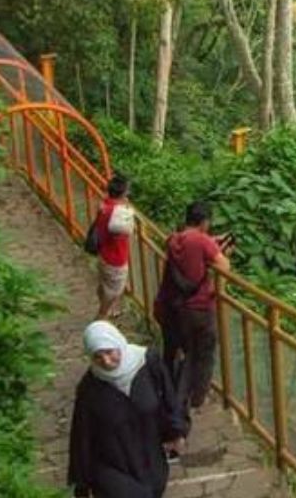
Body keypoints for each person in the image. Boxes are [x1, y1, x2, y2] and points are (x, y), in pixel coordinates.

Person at [68, 321, 187, 498]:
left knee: (153, 490)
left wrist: (177, 432)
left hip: (150, 456)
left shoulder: (147, 363)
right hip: (113, 464)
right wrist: (82, 483)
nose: (106, 361)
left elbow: (169, 399)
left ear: (118, 344)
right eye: (97, 357)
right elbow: (82, 435)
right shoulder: (90, 389)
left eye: (109, 352)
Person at [154, 201, 231, 410]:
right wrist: (222, 251)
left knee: (174, 349)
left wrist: (212, 241)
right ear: (205, 222)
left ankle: (168, 388)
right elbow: (224, 266)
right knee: (201, 353)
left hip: (170, 306)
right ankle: (195, 399)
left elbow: (189, 247)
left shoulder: (174, 238)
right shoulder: (202, 241)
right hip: (197, 309)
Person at [94, 175, 136, 320]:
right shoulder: (119, 213)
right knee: (114, 291)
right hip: (115, 258)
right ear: (123, 193)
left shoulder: (104, 205)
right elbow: (128, 230)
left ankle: (108, 310)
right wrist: (128, 208)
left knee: (105, 284)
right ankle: (102, 315)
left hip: (103, 253)